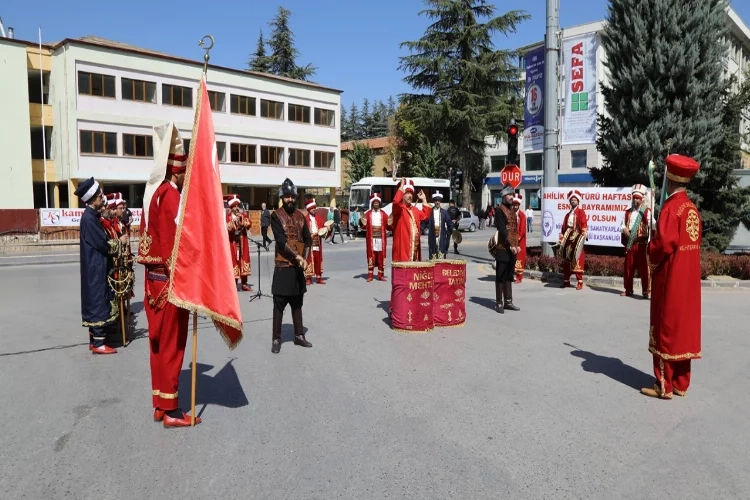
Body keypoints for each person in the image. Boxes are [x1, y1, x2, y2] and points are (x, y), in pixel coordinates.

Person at [137, 125, 199, 427]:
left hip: (152, 282)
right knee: (174, 345)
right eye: (185, 170)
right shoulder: (172, 197)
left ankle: (160, 403)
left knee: (157, 343)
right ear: (177, 171)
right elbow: (182, 243)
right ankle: (173, 411)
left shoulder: (151, 195)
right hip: (171, 281)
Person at [641, 154, 702, 400]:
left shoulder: (671, 209)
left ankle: (664, 385)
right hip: (688, 280)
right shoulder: (692, 209)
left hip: (670, 279)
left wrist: (649, 250)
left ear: (671, 178)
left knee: (666, 328)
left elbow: (665, 243)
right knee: (683, 329)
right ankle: (681, 383)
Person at [75, 177, 126, 354]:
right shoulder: (89, 218)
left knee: (97, 297)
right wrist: (119, 243)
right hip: (95, 266)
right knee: (97, 298)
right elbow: (102, 243)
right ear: (93, 198)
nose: (102, 199)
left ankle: (95, 339)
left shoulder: (92, 216)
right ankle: (98, 343)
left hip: (95, 265)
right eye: (99, 196)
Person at [270, 178, 313, 354]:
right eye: (287, 196)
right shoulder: (275, 216)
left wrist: (306, 260)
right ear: (282, 197)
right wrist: (297, 257)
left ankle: (299, 335)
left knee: (297, 303)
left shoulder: (301, 216)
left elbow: (308, 239)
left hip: (297, 269)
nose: (290, 200)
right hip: (283, 267)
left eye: (292, 196)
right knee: (279, 305)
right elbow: (281, 241)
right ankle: (276, 338)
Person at [493, 184, 521, 313]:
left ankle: (508, 302)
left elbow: (514, 230)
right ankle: (499, 303)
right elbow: (503, 230)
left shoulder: (512, 211)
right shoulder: (499, 210)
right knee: (500, 275)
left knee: (509, 275)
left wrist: (517, 245)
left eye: (512, 194)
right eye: (509, 195)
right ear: (504, 196)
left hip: (513, 248)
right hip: (503, 248)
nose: (512, 197)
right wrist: (511, 245)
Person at [621, 184, 652, 298]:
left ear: (641, 200)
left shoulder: (646, 212)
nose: (635, 200)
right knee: (628, 268)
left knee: (644, 268)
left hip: (642, 244)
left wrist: (652, 224)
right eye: (634, 198)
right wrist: (623, 228)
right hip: (630, 244)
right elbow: (622, 224)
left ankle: (646, 291)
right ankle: (628, 289)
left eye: (637, 198)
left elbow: (652, 224)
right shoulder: (627, 212)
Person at [390, 178, 431, 261]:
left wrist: (424, 199)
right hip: (402, 251)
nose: (410, 195)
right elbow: (396, 202)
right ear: (402, 195)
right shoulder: (399, 209)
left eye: (411, 193)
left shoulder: (414, 210)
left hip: (414, 252)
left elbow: (426, 216)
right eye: (407, 193)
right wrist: (401, 187)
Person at [559, 190, 588, 290]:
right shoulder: (567, 214)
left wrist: (583, 234)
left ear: (578, 201)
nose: (573, 201)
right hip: (568, 238)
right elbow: (563, 227)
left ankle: (579, 282)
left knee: (577, 259)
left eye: (575, 200)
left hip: (577, 237)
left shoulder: (581, 212)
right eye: (572, 200)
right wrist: (562, 237)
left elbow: (584, 224)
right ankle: (566, 281)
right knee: (566, 259)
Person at [226, 195, 253, 292]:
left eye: (237, 206)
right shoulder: (228, 217)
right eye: (234, 206)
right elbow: (227, 228)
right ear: (231, 208)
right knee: (234, 262)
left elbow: (249, 224)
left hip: (242, 243)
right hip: (233, 243)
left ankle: (244, 283)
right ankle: (234, 283)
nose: (236, 208)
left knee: (244, 260)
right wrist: (234, 221)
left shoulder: (242, 215)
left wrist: (241, 220)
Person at [360, 193, 388, 281]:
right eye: (374, 202)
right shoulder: (368, 214)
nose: (376, 204)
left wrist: (391, 222)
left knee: (381, 256)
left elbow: (389, 224)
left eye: (377, 202)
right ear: (372, 203)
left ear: (379, 203)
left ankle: (381, 275)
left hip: (381, 238)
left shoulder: (383, 214)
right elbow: (363, 225)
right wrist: (361, 221)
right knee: (371, 256)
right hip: (371, 239)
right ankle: (370, 275)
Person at [304, 195, 326, 285]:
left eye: (314, 208)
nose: (314, 210)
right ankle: (308, 278)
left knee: (318, 259)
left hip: (318, 242)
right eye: (312, 208)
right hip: (309, 243)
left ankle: (318, 278)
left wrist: (327, 229)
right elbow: (303, 231)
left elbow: (324, 228)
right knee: (309, 259)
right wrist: (310, 236)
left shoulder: (319, 218)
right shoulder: (305, 219)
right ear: (309, 209)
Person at [427, 190, 453, 259]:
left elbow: (450, 223)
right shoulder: (430, 212)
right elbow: (424, 221)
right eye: (436, 201)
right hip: (432, 235)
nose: (437, 202)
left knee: (441, 253)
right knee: (433, 253)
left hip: (441, 236)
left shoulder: (444, 212)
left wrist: (452, 231)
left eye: (438, 201)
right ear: (434, 201)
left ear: (440, 201)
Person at [512, 195, 527, 283]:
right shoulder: (510, 214)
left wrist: (517, 239)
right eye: (513, 205)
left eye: (516, 205)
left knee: (519, 258)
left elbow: (522, 230)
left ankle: (519, 277)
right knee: (511, 258)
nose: (515, 207)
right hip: (511, 239)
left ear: (519, 206)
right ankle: (510, 275)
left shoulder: (522, 216)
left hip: (519, 241)